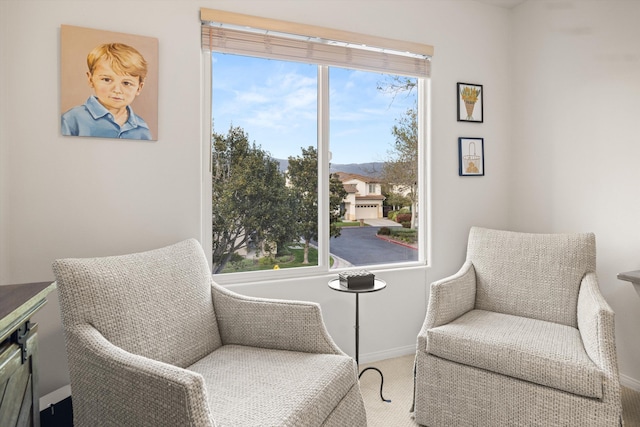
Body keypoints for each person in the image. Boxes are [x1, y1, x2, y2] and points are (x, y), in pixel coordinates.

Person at [62, 43, 152, 140]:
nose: (117, 90)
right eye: (106, 80)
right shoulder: (71, 119)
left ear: (139, 88)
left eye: (126, 83)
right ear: (90, 79)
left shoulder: (141, 127)